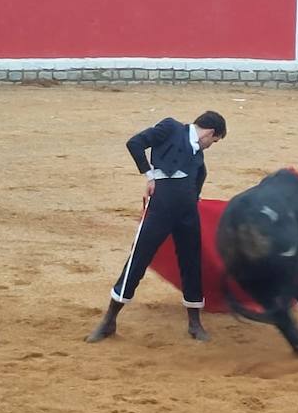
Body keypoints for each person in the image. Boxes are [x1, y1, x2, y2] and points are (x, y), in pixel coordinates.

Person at [86, 110, 228, 346]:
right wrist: (149, 176)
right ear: (211, 133)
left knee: (191, 263)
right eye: (213, 142)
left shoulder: (198, 158)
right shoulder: (171, 128)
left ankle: (194, 323)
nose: (210, 146)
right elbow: (135, 143)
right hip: (161, 208)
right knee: (138, 259)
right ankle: (109, 320)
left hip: (187, 213)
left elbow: (197, 184)